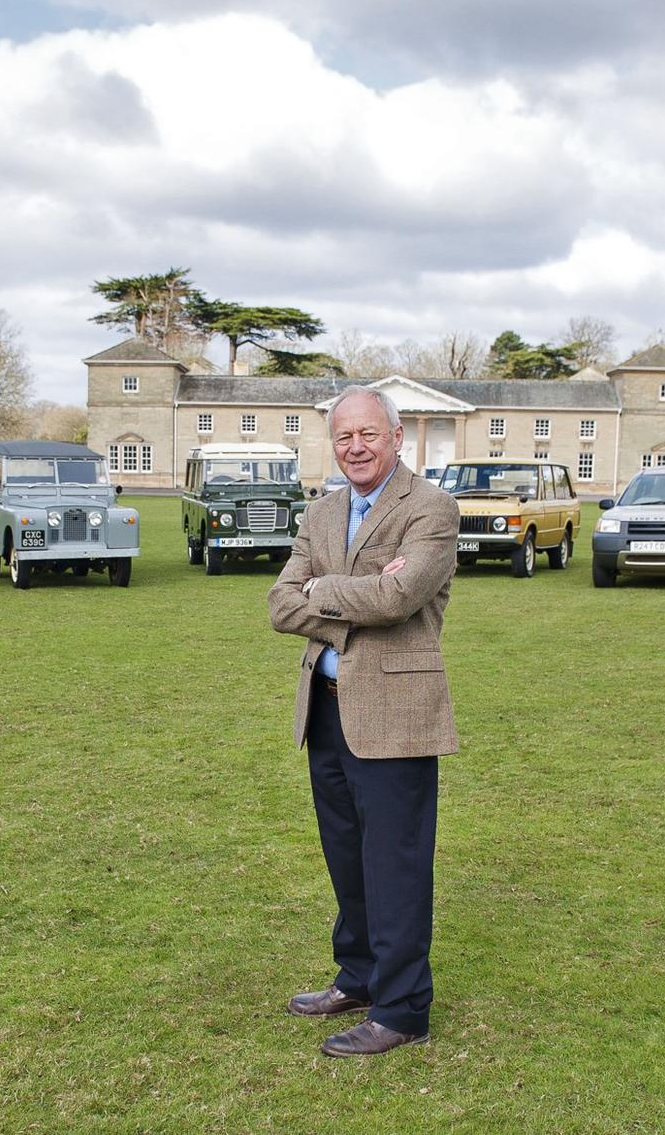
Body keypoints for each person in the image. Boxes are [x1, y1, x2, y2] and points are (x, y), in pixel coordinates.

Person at [266, 386, 461, 1058]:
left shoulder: (431, 508)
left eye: (368, 435)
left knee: (395, 864)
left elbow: (401, 597)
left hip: (397, 715)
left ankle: (403, 1008)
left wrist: (320, 590)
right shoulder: (321, 512)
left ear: (397, 437)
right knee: (347, 858)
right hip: (325, 714)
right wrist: (347, 595)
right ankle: (358, 978)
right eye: (344, 436)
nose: (355, 446)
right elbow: (279, 603)